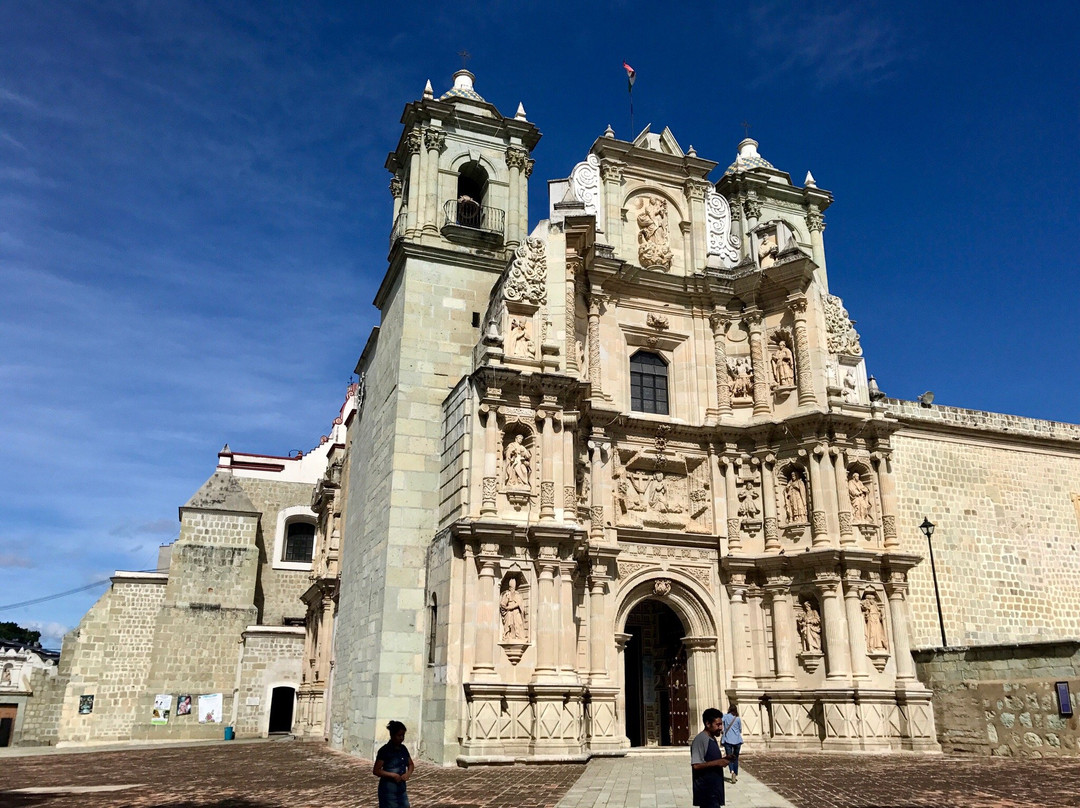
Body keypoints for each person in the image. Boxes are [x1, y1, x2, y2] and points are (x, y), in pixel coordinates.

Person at [690, 707, 729, 808]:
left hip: (714, 790)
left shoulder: (712, 738)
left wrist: (725, 759)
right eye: (718, 725)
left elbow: (710, 759)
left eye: (721, 724)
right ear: (708, 724)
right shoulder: (700, 740)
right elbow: (696, 765)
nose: (721, 728)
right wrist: (718, 763)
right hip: (706, 792)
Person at [373, 720, 414, 808]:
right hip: (388, 791)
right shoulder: (384, 750)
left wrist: (408, 774)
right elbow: (376, 770)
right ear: (392, 735)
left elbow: (410, 764)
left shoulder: (403, 749)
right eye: (399, 735)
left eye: (403, 735)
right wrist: (392, 775)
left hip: (401, 790)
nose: (401, 738)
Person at [721, 705, 743, 784]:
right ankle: (735, 773)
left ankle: (732, 771)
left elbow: (720, 722)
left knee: (729, 757)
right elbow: (740, 730)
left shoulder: (725, 716)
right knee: (736, 758)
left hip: (728, 740)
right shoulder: (737, 719)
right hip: (737, 740)